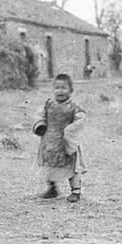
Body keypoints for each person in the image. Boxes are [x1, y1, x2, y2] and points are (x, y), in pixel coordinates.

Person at [32, 73, 87, 203]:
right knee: (49, 166)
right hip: (50, 142)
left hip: (66, 142)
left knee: (70, 167)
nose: (60, 91)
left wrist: (70, 130)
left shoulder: (74, 106)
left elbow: (81, 119)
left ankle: (76, 191)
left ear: (71, 90)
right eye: (57, 88)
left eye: (64, 88)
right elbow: (40, 115)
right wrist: (40, 124)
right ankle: (52, 188)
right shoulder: (49, 104)